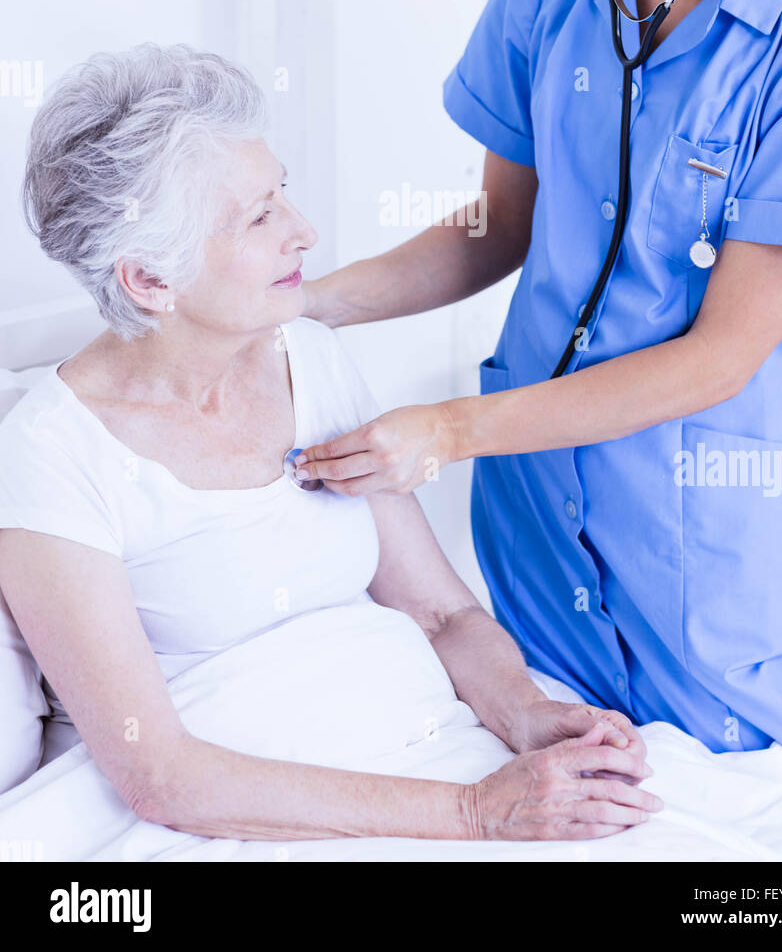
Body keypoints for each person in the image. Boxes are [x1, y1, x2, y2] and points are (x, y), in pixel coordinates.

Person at [293, 0, 782, 781]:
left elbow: (718, 357)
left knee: (761, 812)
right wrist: (311, 299)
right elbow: (495, 227)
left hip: (705, 531)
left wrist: (447, 430)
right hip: (535, 513)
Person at [0, 42, 659, 844]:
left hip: (423, 748)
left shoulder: (303, 356)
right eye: (259, 217)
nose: (304, 232)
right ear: (148, 279)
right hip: (239, 820)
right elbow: (160, 775)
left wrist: (527, 714)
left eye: (283, 194)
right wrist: (476, 813)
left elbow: (444, 613)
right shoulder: (51, 459)